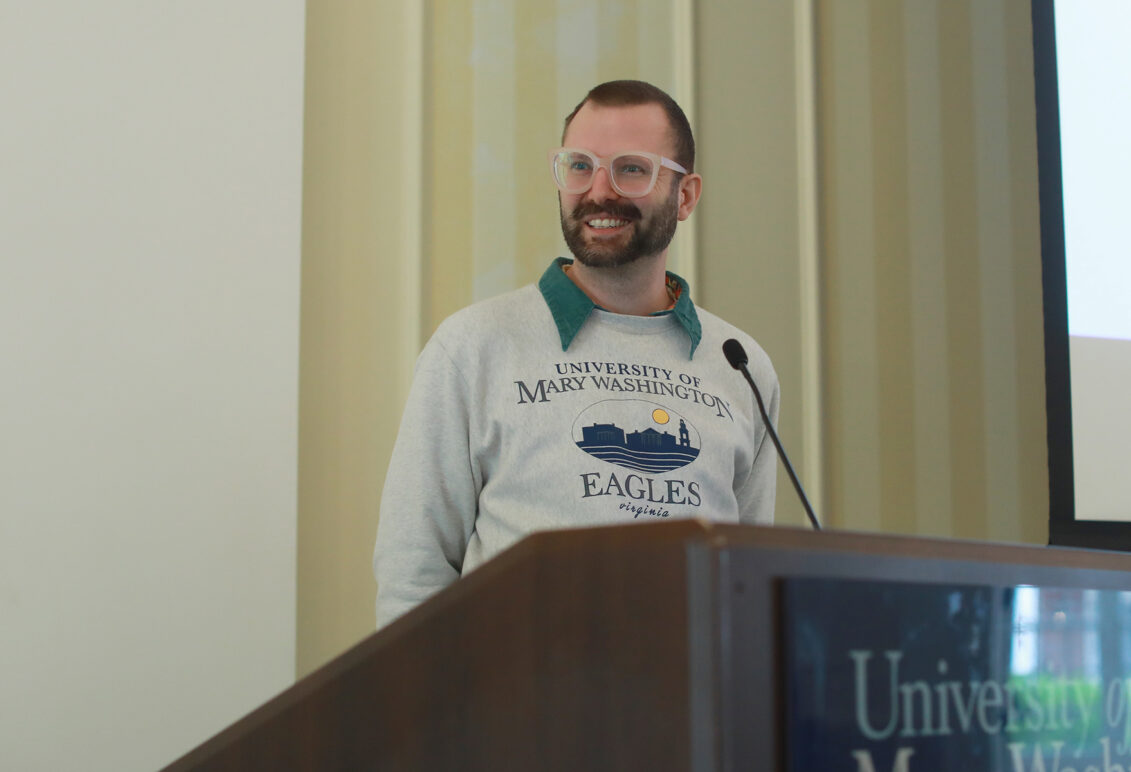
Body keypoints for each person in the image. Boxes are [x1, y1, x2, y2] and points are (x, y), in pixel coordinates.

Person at [373, 80, 778, 626]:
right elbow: (412, 574)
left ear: (685, 196)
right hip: (516, 704)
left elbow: (746, 585)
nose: (598, 191)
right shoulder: (472, 346)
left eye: (632, 168)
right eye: (580, 165)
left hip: (689, 705)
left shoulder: (740, 364)